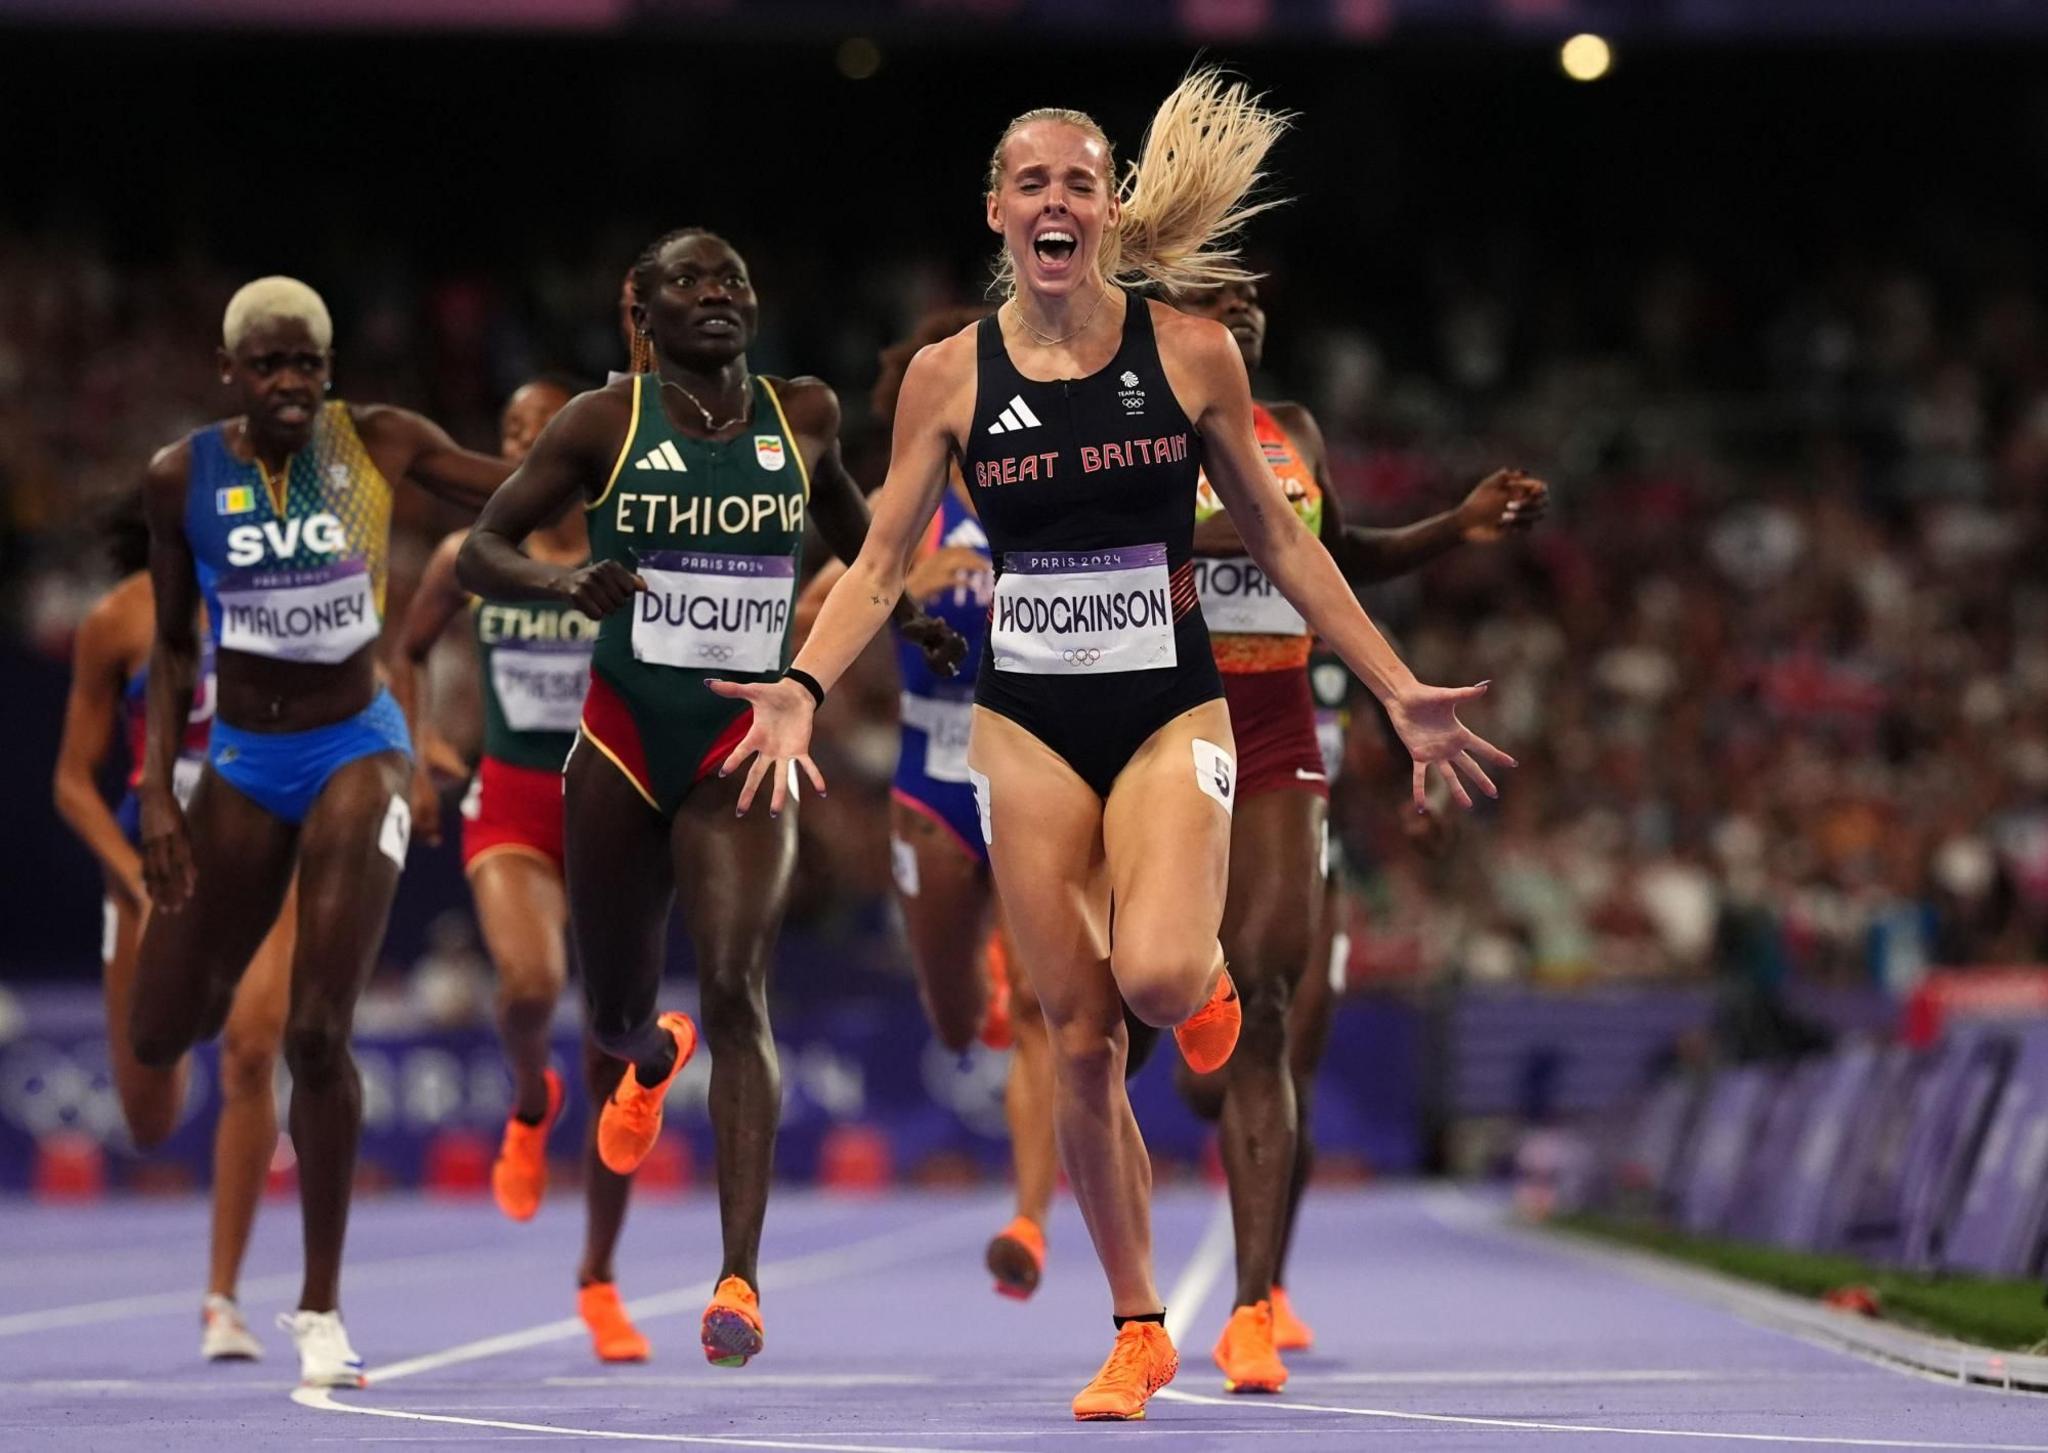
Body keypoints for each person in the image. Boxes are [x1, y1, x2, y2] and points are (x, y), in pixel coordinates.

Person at [711, 70, 1514, 1422]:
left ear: (1109, 208)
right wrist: (799, 680)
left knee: (1147, 978)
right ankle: (1139, 1325)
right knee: (1074, 1038)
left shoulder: (1193, 351)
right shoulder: (947, 375)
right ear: (997, 213)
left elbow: (1280, 541)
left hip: (1167, 705)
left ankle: (1193, 987)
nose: (1055, 201)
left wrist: (1390, 683)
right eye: (1031, 183)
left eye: (1079, 181)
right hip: (1023, 720)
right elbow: (883, 558)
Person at [456, 228, 963, 1371]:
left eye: (733, 277)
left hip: (745, 743)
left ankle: (737, 1279)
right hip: (623, 742)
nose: (717, 294)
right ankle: (643, 1057)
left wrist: (908, 613)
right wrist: (555, 576)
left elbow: (850, 522)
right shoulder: (601, 422)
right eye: (687, 281)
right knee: (611, 1014)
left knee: (738, 986)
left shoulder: (805, 413)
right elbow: (480, 547)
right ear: (639, 313)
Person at [130, 276, 512, 1386]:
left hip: (359, 747)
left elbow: (512, 487)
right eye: (270, 365)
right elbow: (165, 648)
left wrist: (615, 441)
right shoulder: (181, 476)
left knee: (313, 1031)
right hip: (244, 761)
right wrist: (158, 790)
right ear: (230, 371)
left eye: (308, 364)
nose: (291, 383)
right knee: (164, 1029)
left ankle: (318, 1306)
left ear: (329, 369)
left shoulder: (377, 447)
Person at [1169, 275, 1548, 1391]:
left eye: (1249, 300)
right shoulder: (1131, 414)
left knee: (1276, 1013)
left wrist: (1454, 526)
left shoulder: (1291, 431)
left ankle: (1249, 1302)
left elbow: (1331, 556)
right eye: (1208, 294)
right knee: (1173, 1039)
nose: (1236, 312)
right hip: (1162, 719)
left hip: (1282, 717)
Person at [798, 308, 1061, 1300]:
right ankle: (980, 981)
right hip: (934, 782)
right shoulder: (902, 513)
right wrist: (906, 586)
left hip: (1033, 770)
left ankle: (1028, 1220)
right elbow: (810, 608)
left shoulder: (1050, 488)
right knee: (958, 1022)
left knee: (1039, 1007)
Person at [391, 377, 654, 1361]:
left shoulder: (624, 557)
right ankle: (528, 1098)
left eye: (540, 434)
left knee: (618, 1047)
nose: (522, 449)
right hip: (508, 797)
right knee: (532, 982)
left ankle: (598, 1283)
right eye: (506, 433)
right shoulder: (469, 558)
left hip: (614, 805)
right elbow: (404, 653)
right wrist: (418, 746)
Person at [51, 499, 295, 1363]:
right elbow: (71, 782)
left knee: (255, 1050)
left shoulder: (280, 600)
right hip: (148, 863)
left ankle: (223, 1297)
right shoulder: (117, 619)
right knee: (149, 1113)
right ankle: (188, 1015)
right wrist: (134, 881)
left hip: (261, 844)